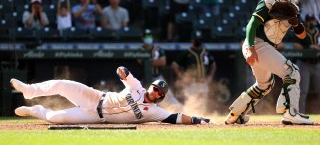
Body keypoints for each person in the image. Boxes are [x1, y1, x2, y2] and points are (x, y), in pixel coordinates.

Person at [224, 0, 314, 125]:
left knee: (265, 84)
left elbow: (302, 36)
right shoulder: (270, 0)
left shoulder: (293, 7)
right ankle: (291, 113)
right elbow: (251, 25)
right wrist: (251, 48)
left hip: (264, 46)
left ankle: (235, 114)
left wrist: (295, 23)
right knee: (292, 72)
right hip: (256, 43)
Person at [11, 66, 210, 124]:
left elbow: (175, 117)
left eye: (159, 92)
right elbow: (124, 72)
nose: (156, 91)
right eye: (155, 87)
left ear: (160, 97)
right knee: (62, 84)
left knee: (56, 118)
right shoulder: (137, 87)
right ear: (150, 86)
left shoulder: (153, 111)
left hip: (96, 117)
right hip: (96, 98)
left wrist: (198, 120)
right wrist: (122, 71)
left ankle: (36, 110)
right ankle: (29, 90)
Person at [138, 29, 183, 111]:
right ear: (142, 38)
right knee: (142, 99)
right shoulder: (140, 50)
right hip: (144, 79)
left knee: (168, 97)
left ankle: (180, 111)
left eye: (150, 36)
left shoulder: (158, 49)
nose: (148, 38)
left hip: (157, 77)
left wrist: (148, 61)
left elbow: (163, 62)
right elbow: (140, 61)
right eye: (146, 36)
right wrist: (155, 61)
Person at [293, 14, 320, 113]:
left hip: (317, 63)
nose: (311, 23)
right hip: (304, 63)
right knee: (303, 91)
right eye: (309, 21)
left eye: (312, 21)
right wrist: (310, 47)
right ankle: (300, 113)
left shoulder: (318, 32)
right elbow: (295, 46)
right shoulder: (302, 32)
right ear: (306, 22)